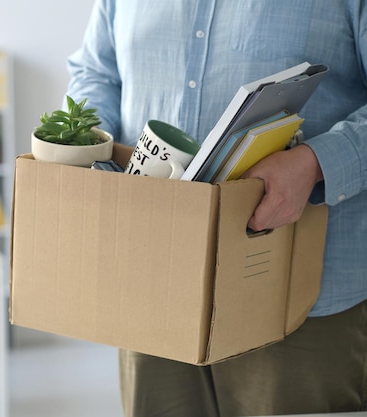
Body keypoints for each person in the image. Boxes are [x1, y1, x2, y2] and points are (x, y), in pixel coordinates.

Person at [66, 2, 367, 416]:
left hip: (302, 300)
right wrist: (89, 147)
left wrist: (315, 163)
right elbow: (96, 72)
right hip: (150, 283)